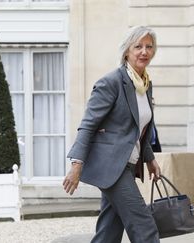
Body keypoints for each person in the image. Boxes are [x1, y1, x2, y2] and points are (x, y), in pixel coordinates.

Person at [63, 26, 161, 243]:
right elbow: (88, 125)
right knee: (144, 227)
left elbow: (138, 129)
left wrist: (150, 159)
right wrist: (76, 165)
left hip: (127, 164)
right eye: (138, 47)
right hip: (112, 167)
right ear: (127, 51)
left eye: (149, 47)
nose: (144, 51)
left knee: (108, 233)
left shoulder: (145, 85)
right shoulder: (112, 82)